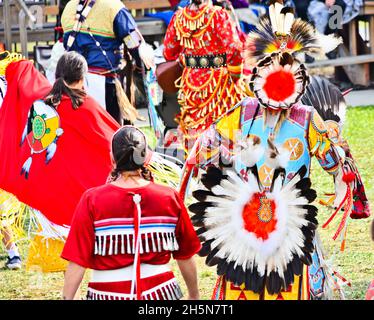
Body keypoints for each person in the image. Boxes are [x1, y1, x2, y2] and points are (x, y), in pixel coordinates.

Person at [180, 0, 370, 300]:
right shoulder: (242, 112)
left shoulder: (307, 119)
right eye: (271, 62)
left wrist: (342, 184)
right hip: (243, 224)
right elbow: (207, 147)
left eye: (286, 62)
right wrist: (207, 160)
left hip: (292, 224)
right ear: (260, 71)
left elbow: (337, 165)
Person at [62, 126, 201, 300]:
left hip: (107, 295)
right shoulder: (168, 197)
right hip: (161, 294)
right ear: (145, 158)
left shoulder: (92, 200)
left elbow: (77, 260)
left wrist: (68, 297)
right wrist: (194, 296)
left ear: (113, 159)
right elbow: (185, 254)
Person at [163, 0, 244, 153]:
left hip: (191, 82)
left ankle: (197, 167)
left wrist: (187, 56)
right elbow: (234, 49)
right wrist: (235, 76)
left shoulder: (179, 18)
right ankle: (222, 167)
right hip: (219, 82)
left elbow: (168, 52)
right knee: (223, 127)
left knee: (194, 127)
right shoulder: (218, 15)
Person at [61, 0, 154, 124]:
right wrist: (142, 67)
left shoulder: (69, 7)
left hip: (72, 83)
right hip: (105, 83)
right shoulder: (113, 7)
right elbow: (134, 43)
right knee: (110, 132)